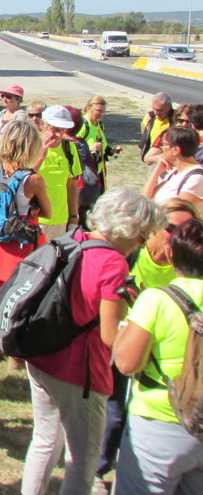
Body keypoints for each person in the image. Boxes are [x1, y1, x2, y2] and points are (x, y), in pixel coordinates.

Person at [19, 189, 163, 495]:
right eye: (142, 235)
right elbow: (111, 336)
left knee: (44, 441)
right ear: (128, 228)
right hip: (79, 371)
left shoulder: (73, 240)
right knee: (82, 459)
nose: (142, 244)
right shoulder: (114, 265)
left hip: (42, 356)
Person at [94, 198, 198, 487]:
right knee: (114, 413)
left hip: (164, 403)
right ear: (151, 230)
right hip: (129, 346)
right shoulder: (131, 257)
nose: (175, 235)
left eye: (184, 229)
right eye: (170, 228)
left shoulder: (176, 279)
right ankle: (100, 467)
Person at [0, 121, 51, 363]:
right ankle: (15, 350)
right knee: (22, 294)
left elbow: (10, 183)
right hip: (22, 240)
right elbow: (47, 211)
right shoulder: (34, 179)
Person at [35, 105, 82, 241]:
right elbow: (23, 178)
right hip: (34, 218)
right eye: (54, 129)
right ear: (42, 125)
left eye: (62, 129)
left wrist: (73, 217)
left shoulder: (70, 148)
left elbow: (72, 184)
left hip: (59, 219)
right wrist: (40, 154)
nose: (58, 134)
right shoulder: (31, 146)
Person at [143, 126, 203, 210]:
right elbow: (144, 200)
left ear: (176, 150)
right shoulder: (175, 172)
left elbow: (177, 212)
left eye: (163, 144)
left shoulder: (195, 178)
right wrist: (156, 172)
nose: (161, 148)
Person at [80, 96, 121, 191]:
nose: (102, 114)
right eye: (99, 111)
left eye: (104, 111)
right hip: (85, 172)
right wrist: (90, 148)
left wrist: (113, 150)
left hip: (98, 170)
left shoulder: (99, 125)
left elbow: (102, 146)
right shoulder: (83, 125)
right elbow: (71, 145)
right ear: (89, 108)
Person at [0, 84, 29, 150]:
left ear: (18, 99)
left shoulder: (21, 116)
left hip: (6, 152)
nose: (4, 99)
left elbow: (16, 138)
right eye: (3, 96)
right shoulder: (3, 112)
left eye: (8, 97)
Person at [141, 92, 175, 163]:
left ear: (169, 106)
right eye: (154, 109)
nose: (156, 112)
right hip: (153, 157)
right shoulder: (150, 117)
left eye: (159, 110)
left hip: (171, 158)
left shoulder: (177, 119)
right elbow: (144, 134)